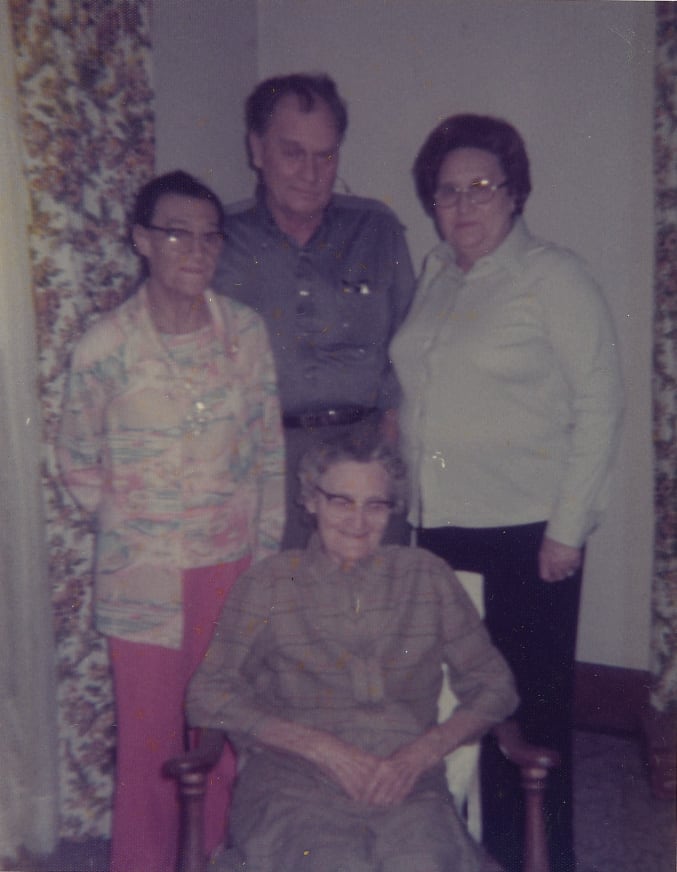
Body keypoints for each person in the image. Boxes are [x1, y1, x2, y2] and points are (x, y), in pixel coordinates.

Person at [390, 114, 624, 872]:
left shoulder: (551, 277)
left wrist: (568, 528)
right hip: (439, 533)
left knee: (529, 723)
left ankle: (539, 860)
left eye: (480, 188)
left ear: (515, 193)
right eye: (447, 191)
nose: (462, 205)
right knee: (457, 714)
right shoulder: (436, 276)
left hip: (525, 535)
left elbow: (600, 402)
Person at [58, 170, 285, 872]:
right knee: (152, 744)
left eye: (210, 235)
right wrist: (135, 523)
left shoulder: (243, 333)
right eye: (177, 232)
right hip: (144, 576)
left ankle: (218, 856)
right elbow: (76, 462)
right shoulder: (104, 348)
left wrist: (264, 553)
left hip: (229, 565)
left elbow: (267, 451)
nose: (196, 249)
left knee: (221, 727)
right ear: (142, 241)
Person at [186, 428, 518, 872]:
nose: (358, 522)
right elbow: (207, 693)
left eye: (374, 505)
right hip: (294, 785)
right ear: (310, 500)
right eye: (341, 501)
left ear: (391, 510)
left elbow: (496, 686)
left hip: (408, 785)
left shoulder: (427, 577)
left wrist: (421, 753)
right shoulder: (268, 583)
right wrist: (321, 748)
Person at [212, 72, 416, 548]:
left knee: (373, 609)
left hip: (366, 456)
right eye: (293, 152)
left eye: (326, 154)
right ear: (257, 150)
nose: (312, 172)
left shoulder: (376, 229)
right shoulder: (220, 239)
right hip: (263, 462)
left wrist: (387, 432)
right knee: (282, 608)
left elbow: (412, 341)